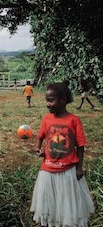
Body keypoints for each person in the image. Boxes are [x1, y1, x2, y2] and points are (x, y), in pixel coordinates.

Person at [30, 82, 95, 226]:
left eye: (51, 100)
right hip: (48, 168)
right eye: (47, 100)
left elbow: (81, 145)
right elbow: (40, 136)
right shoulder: (46, 119)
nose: (47, 104)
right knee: (50, 198)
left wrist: (79, 167)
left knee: (67, 199)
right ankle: (53, 220)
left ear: (63, 100)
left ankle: (66, 221)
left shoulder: (74, 120)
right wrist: (38, 148)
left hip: (68, 170)